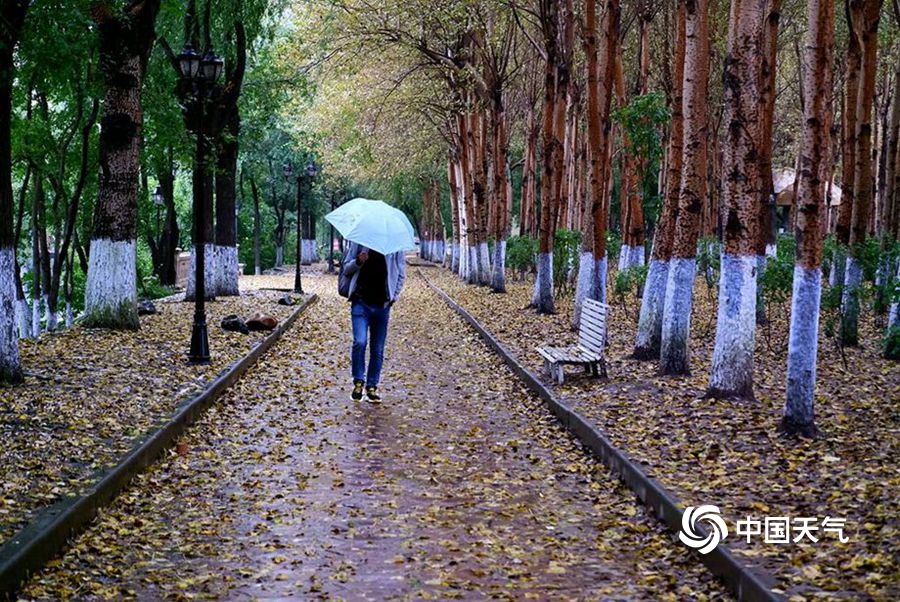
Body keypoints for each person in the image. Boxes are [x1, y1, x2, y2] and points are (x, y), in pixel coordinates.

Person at [341, 241, 406, 402]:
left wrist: (394, 296)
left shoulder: (395, 247)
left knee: (377, 349)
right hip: (361, 303)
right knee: (360, 342)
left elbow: (401, 273)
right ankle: (358, 381)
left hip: (382, 306)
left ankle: (372, 386)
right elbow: (346, 269)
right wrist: (358, 261)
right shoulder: (359, 243)